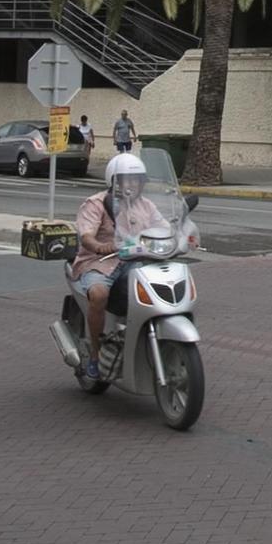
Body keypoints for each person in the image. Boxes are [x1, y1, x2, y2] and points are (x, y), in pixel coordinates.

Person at [67, 152, 172, 382]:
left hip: (134, 262)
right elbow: (86, 236)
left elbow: (164, 228)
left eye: (136, 179)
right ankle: (95, 355)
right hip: (99, 262)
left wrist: (180, 237)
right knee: (99, 293)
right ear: (114, 181)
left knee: (163, 286)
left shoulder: (146, 205)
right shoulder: (96, 204)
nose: (132, 184)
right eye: (126, 179)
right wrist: (98, 246)